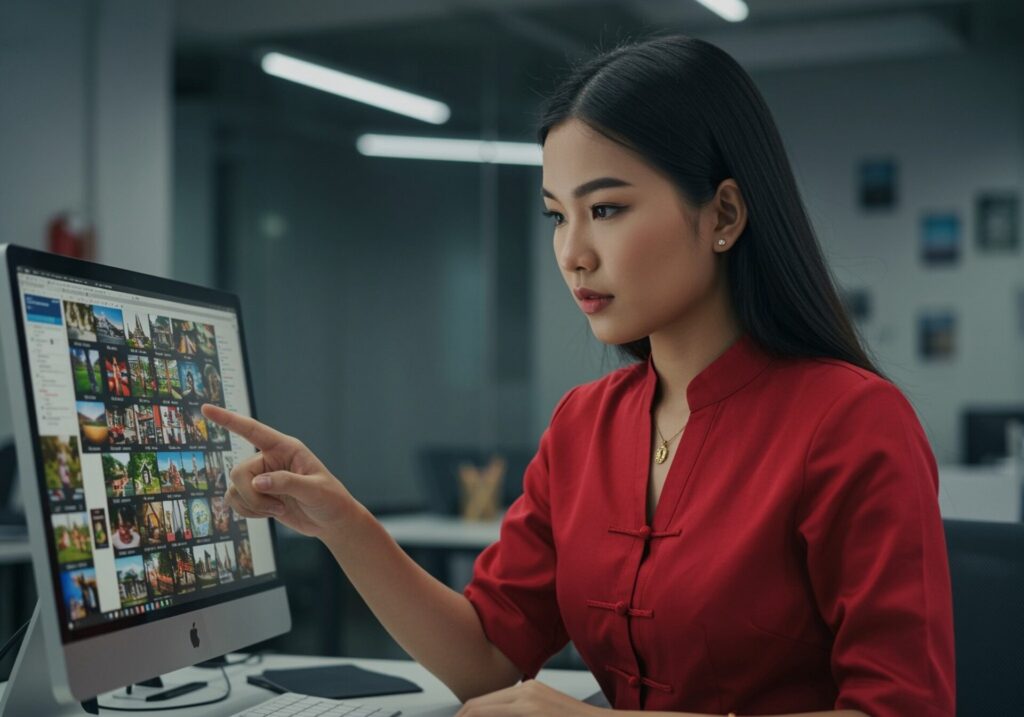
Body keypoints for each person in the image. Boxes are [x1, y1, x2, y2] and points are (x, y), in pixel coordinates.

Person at [200, 35, 955, 717]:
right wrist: (340, 522)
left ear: (723, 212)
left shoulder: (852, 422)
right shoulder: (585, 423)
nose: (573, 253)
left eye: (608, 208)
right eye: (557, 215)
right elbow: (489, 656)